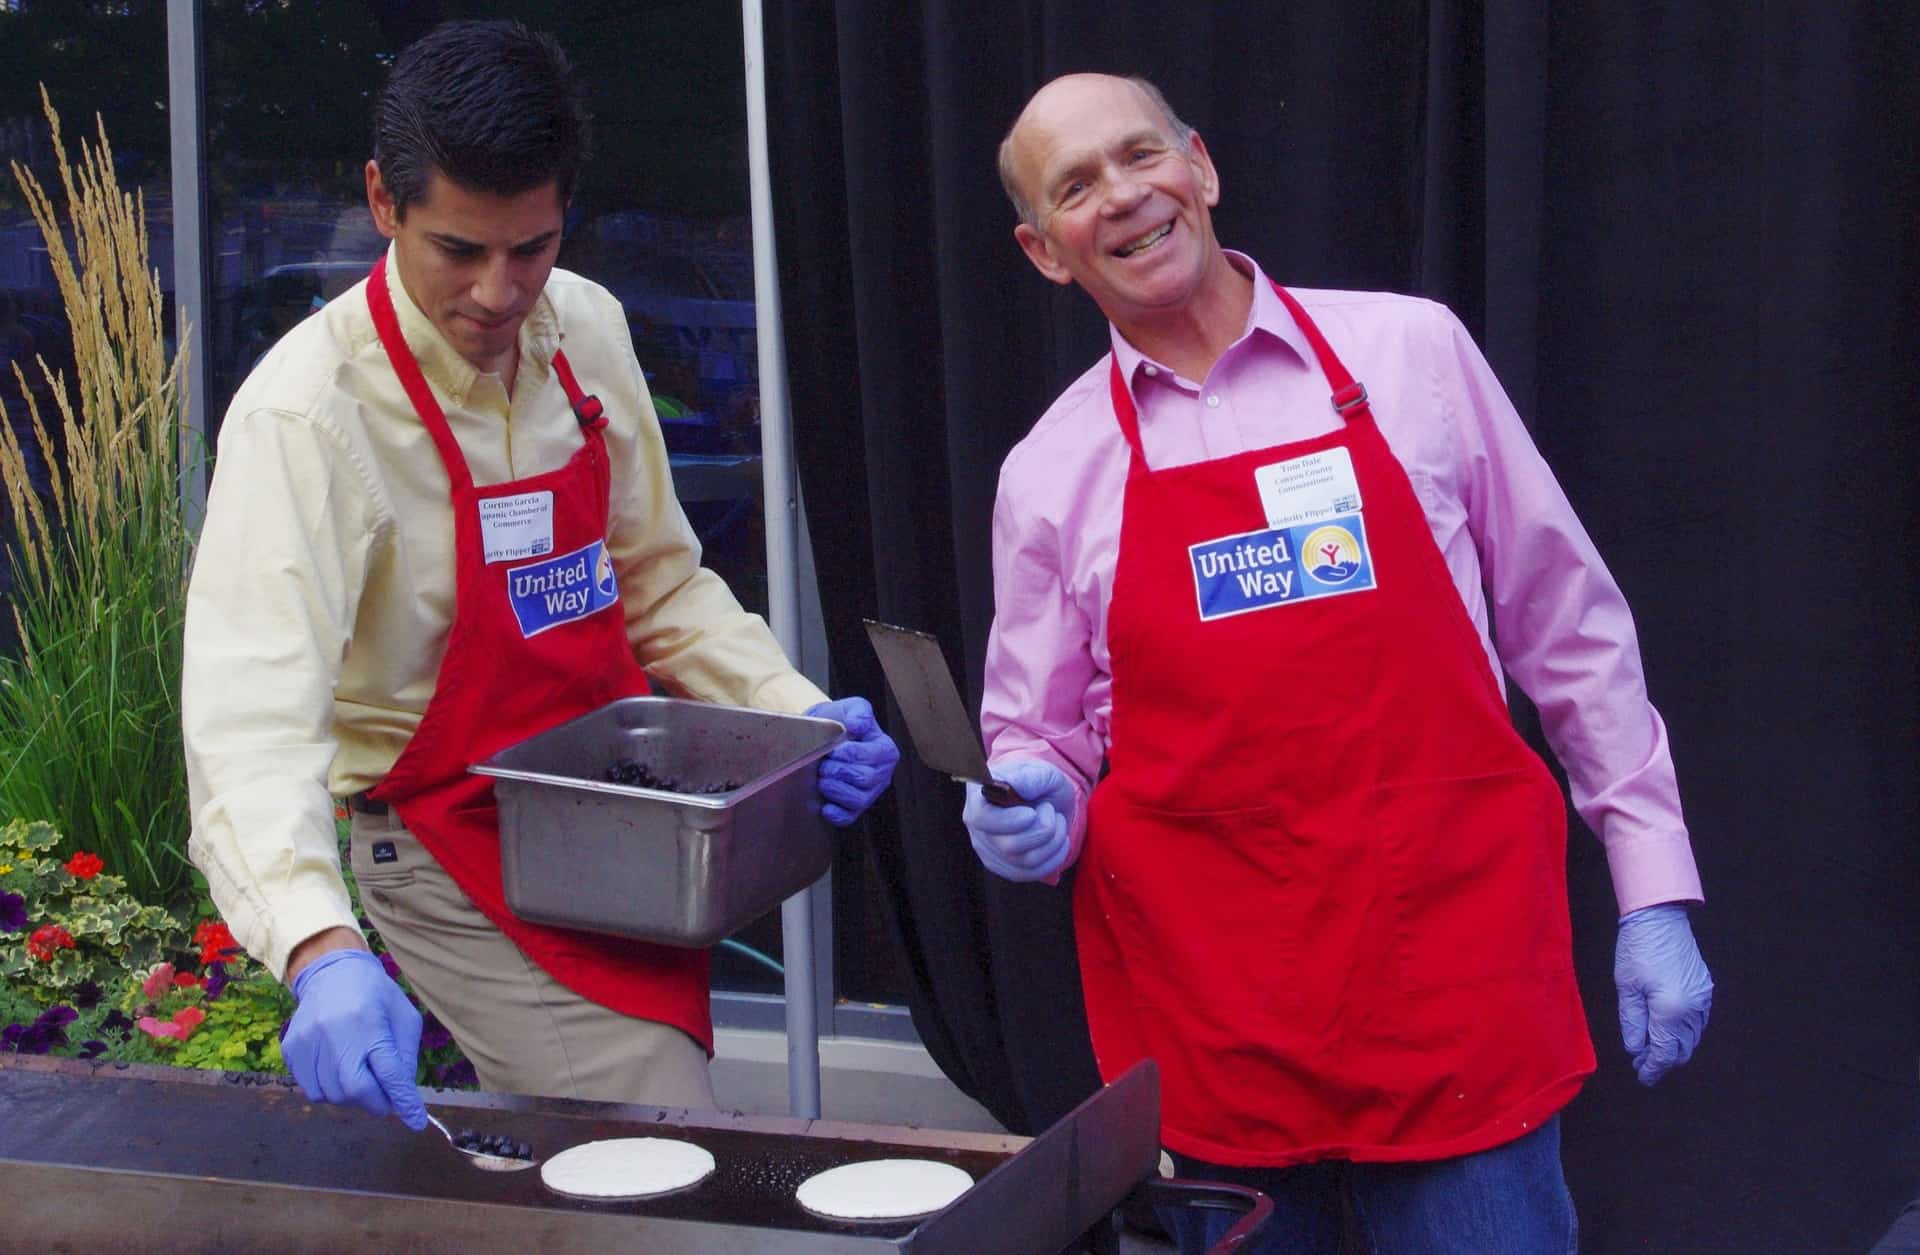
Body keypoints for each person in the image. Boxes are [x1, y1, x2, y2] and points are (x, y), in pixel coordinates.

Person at [966, 73, 1714, 1253]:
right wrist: (1032, 797)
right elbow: (1033, 730)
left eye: (1139, 155)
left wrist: (1653, 886)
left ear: (1200, 168)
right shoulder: (1049, 472)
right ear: (1043, 250)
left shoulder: (1412, 354)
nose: (1121, 196)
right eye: (1075, 187)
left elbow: (1569, 628)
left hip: (1454, 991)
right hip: (1215, 1025)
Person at [181, 20, 897, 1133]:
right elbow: (250, 723)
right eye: (458, 250)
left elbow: (661, 584)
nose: (498, 290)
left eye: (533, 247)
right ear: (382, 200)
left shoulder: (591, 333)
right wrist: (320, 946)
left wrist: (799, 714)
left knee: (590, 1146)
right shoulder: (305, 414)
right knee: (651, 1131)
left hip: (610, 823)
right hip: (436, 834)